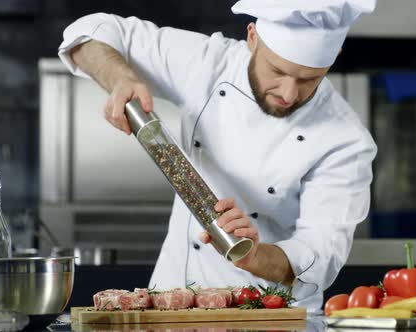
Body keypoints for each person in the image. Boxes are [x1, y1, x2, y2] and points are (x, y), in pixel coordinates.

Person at [58, 0, 377, 310]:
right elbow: (87, 33)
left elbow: (319, 255)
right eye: (277, 71)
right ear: (252, 38)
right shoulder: (210, 63)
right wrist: (121, 79)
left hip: (268, 315)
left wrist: (254, 255)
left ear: (334, 56)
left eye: (309, 79)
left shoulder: (345, 140)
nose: (289, 93)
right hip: (169, 303)